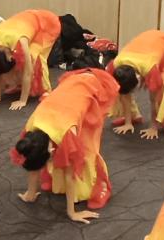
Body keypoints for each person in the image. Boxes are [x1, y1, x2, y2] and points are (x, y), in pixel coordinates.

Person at [12, 67, 117, 223]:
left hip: (93, 85)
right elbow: (32, 158)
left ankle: (90, 183)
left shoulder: (67, 134)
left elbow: (70, 173)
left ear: (50, 150)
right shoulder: (31, 130)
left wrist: (72, 213)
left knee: (88, 148)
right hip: (67, 94)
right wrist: (30, 194)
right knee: (50, 154)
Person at [107, 30, 164, 140]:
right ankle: (134, 116)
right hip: (150, 49)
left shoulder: (149, 68)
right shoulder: (115, 65)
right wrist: (128, 123)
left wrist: (153, 127)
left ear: (138, 78)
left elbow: (154, 99)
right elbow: (123, 93)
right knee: (118, 89)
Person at [0, 9, 60, 110]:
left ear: (11, 57)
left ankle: (46, 90)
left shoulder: (21, 41)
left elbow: (28, 72)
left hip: (48, 24)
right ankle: (20, 84)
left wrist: (22, 100)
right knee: (21, 61)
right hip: (25, 22)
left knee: (34, 57)